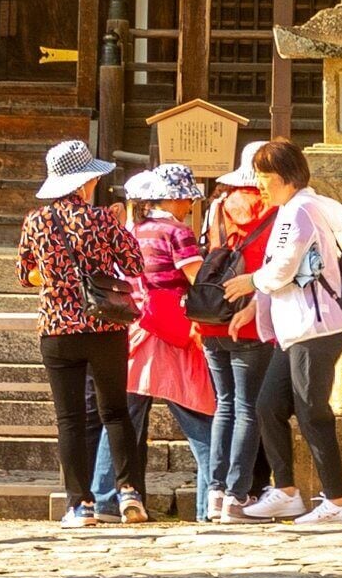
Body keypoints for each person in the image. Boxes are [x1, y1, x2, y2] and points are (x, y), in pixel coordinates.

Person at [225, 139, 342, 526]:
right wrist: (255, 303)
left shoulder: (301, 209)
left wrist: (250, 282)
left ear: (282, 178)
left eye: (264, 177)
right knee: (268, 405)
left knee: (312, 412)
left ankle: (337, 500)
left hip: (314, 327)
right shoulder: (295, 209)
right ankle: (285, 491)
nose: (260, 185)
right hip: (296, 330)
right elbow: (288, 273)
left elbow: (283, 268)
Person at [18, 138, 147, 526]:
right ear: (85, 182)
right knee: (115, 412)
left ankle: (80, 505)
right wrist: (118, 227)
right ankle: (129, 496)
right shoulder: (104, 219)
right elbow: (135, 264)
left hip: (57, 328)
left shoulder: (36, 221)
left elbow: (26, 276)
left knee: (70, 418)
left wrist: (59, 280)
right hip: (106, 324)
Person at [200, 142, 299, 520]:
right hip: (252, 316)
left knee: (224, 406)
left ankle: (213, 492)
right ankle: (237, 495)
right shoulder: (276, 209)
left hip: (212, 316)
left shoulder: (217, 207)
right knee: (247, 409)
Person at [120, 164, 219, 508]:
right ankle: (211, 504)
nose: (191, 205)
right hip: (172, 331)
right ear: (175, 198)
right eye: (188, 197)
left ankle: (107, 500)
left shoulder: (133, 230)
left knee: (123, 422)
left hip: (134, 329)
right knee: (200, 419)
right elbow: (198, 279)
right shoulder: (176, 232)